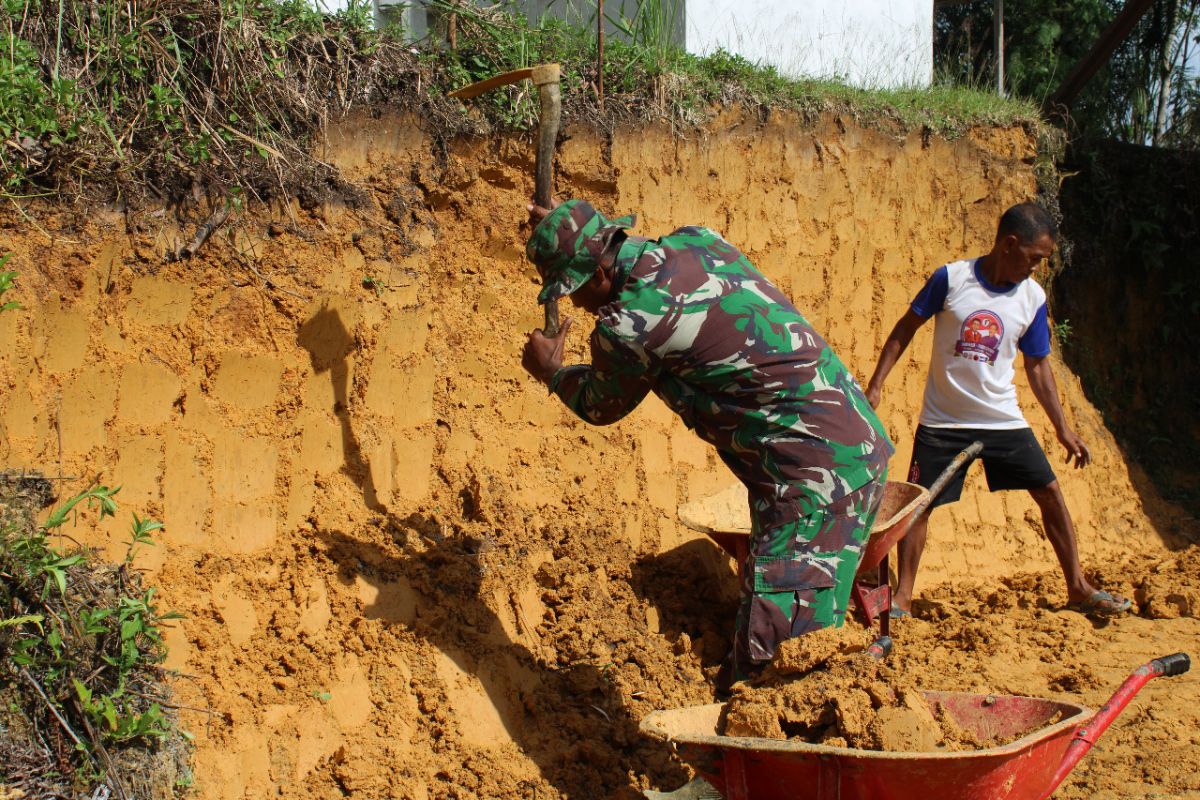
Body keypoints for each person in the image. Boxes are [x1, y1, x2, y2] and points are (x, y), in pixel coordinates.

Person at [519, 198, 894, 688]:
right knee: (782, 633)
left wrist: (552, 372)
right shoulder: (698, 239)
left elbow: (598, 405)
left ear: (596, 276)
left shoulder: (629, 324)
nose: (577, 304)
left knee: (779, 669)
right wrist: (567, 231)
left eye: (573, 291)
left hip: (812, 484)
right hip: (851, 446)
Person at [865, 202, 1131, 618]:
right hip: (943, 423)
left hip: (1002, 420)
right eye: (1035, 257)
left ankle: (1077, 587)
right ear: (1010, 244)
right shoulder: (950, 279)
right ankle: (903, 597)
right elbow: (906, 328)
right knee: (919, 505)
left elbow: (1038, 364)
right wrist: (877, 384)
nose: (1037, 267)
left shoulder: (1033, 297)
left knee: (1050, 491)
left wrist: (1062, 428)